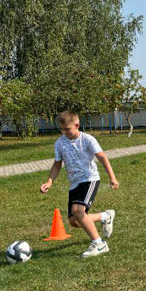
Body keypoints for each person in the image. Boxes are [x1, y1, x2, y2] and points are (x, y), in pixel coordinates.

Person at [40, 110, 119, 258]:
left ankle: (99, 244)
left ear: (77, 125)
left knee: (78, 211)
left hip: (90, 179)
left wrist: (112, 177)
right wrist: (49, 181)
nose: (64, 132)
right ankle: (105, 216)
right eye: (62, 129)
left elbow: (102, 158)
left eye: (67, 129)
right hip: (74, 183)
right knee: (74, 221)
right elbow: (57, 164)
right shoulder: (60, 143)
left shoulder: (88, 139)